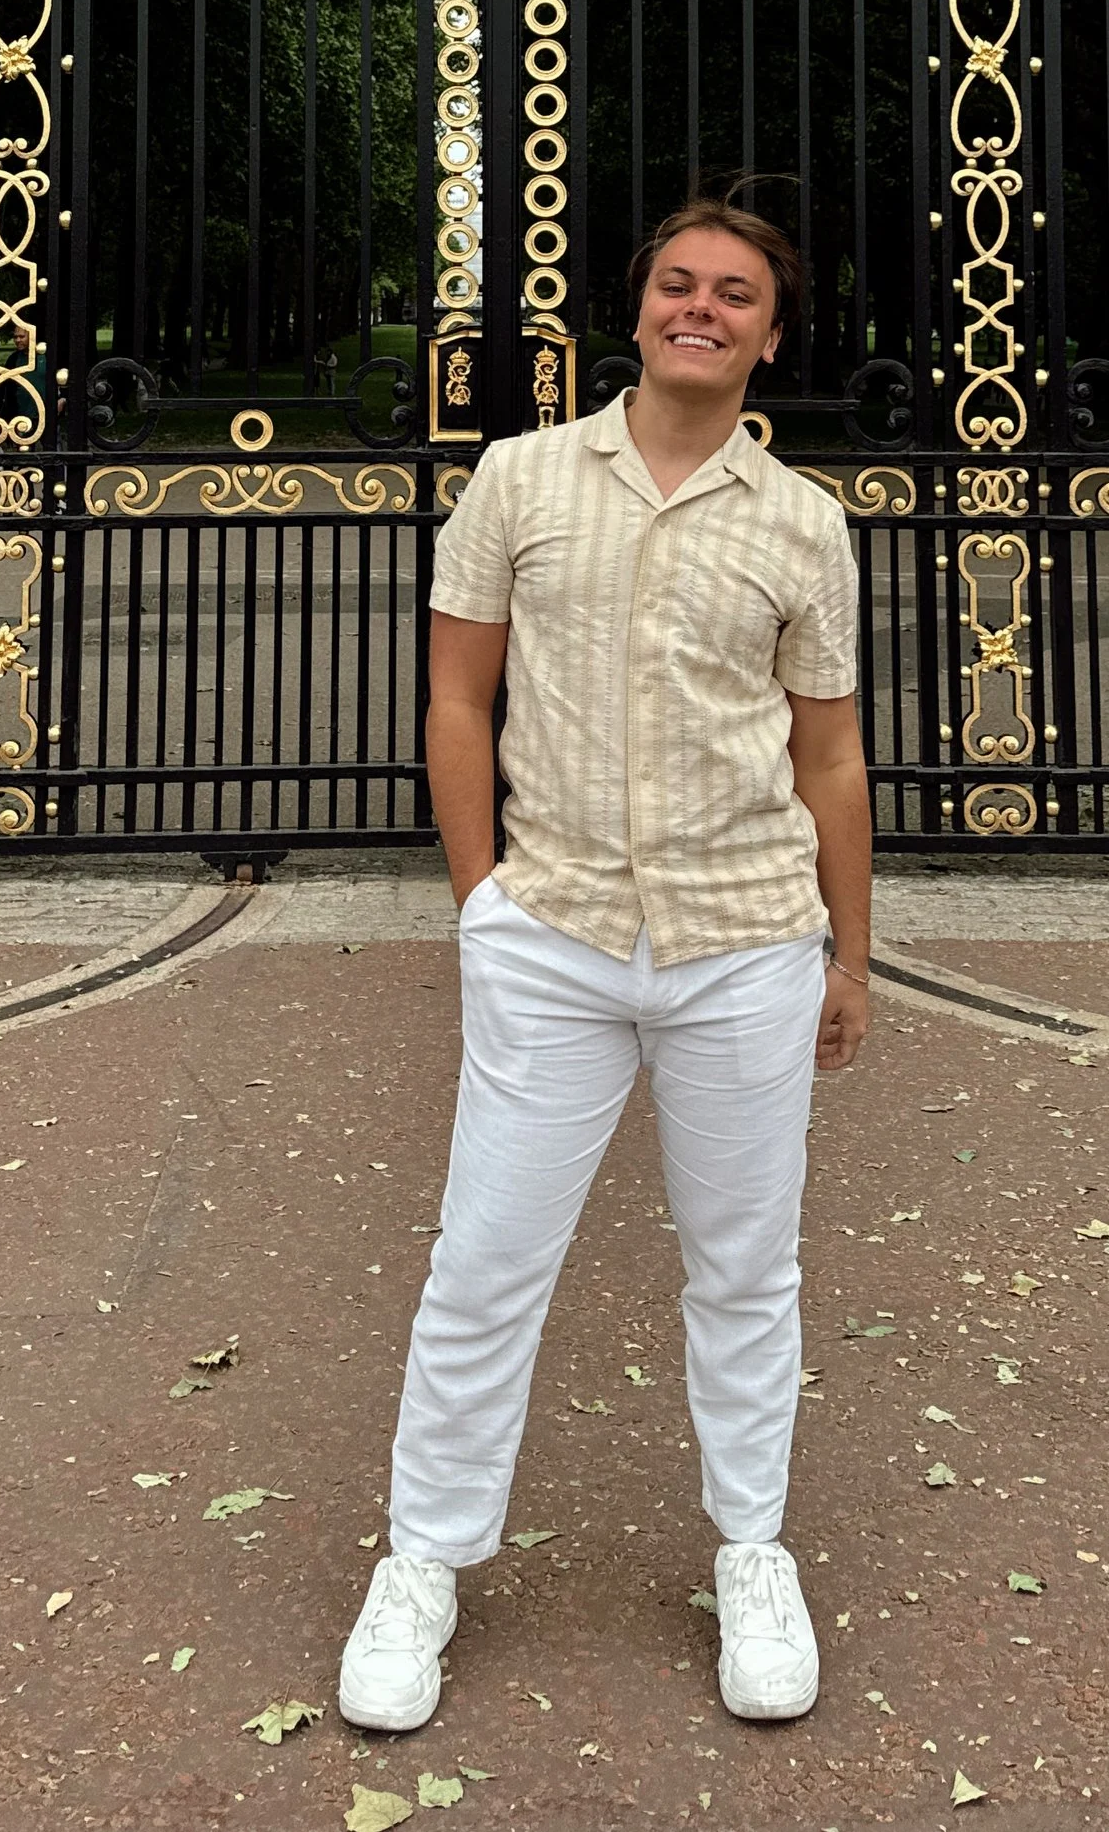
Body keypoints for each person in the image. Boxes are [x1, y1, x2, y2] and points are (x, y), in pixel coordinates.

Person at [338, 195, 873, 1735]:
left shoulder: (803, 523)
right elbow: (458, 699)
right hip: (556, 933)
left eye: (734, 294)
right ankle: (424, 1560)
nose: (700, 308)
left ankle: (751, 1553)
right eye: (677, 285)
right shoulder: (519, 478)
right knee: (484, 1262)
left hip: (745, 940)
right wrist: (481, 905)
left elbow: (829, 757)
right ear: (636, 311)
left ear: (773, 334)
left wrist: (851, 953)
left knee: (746, 1269)